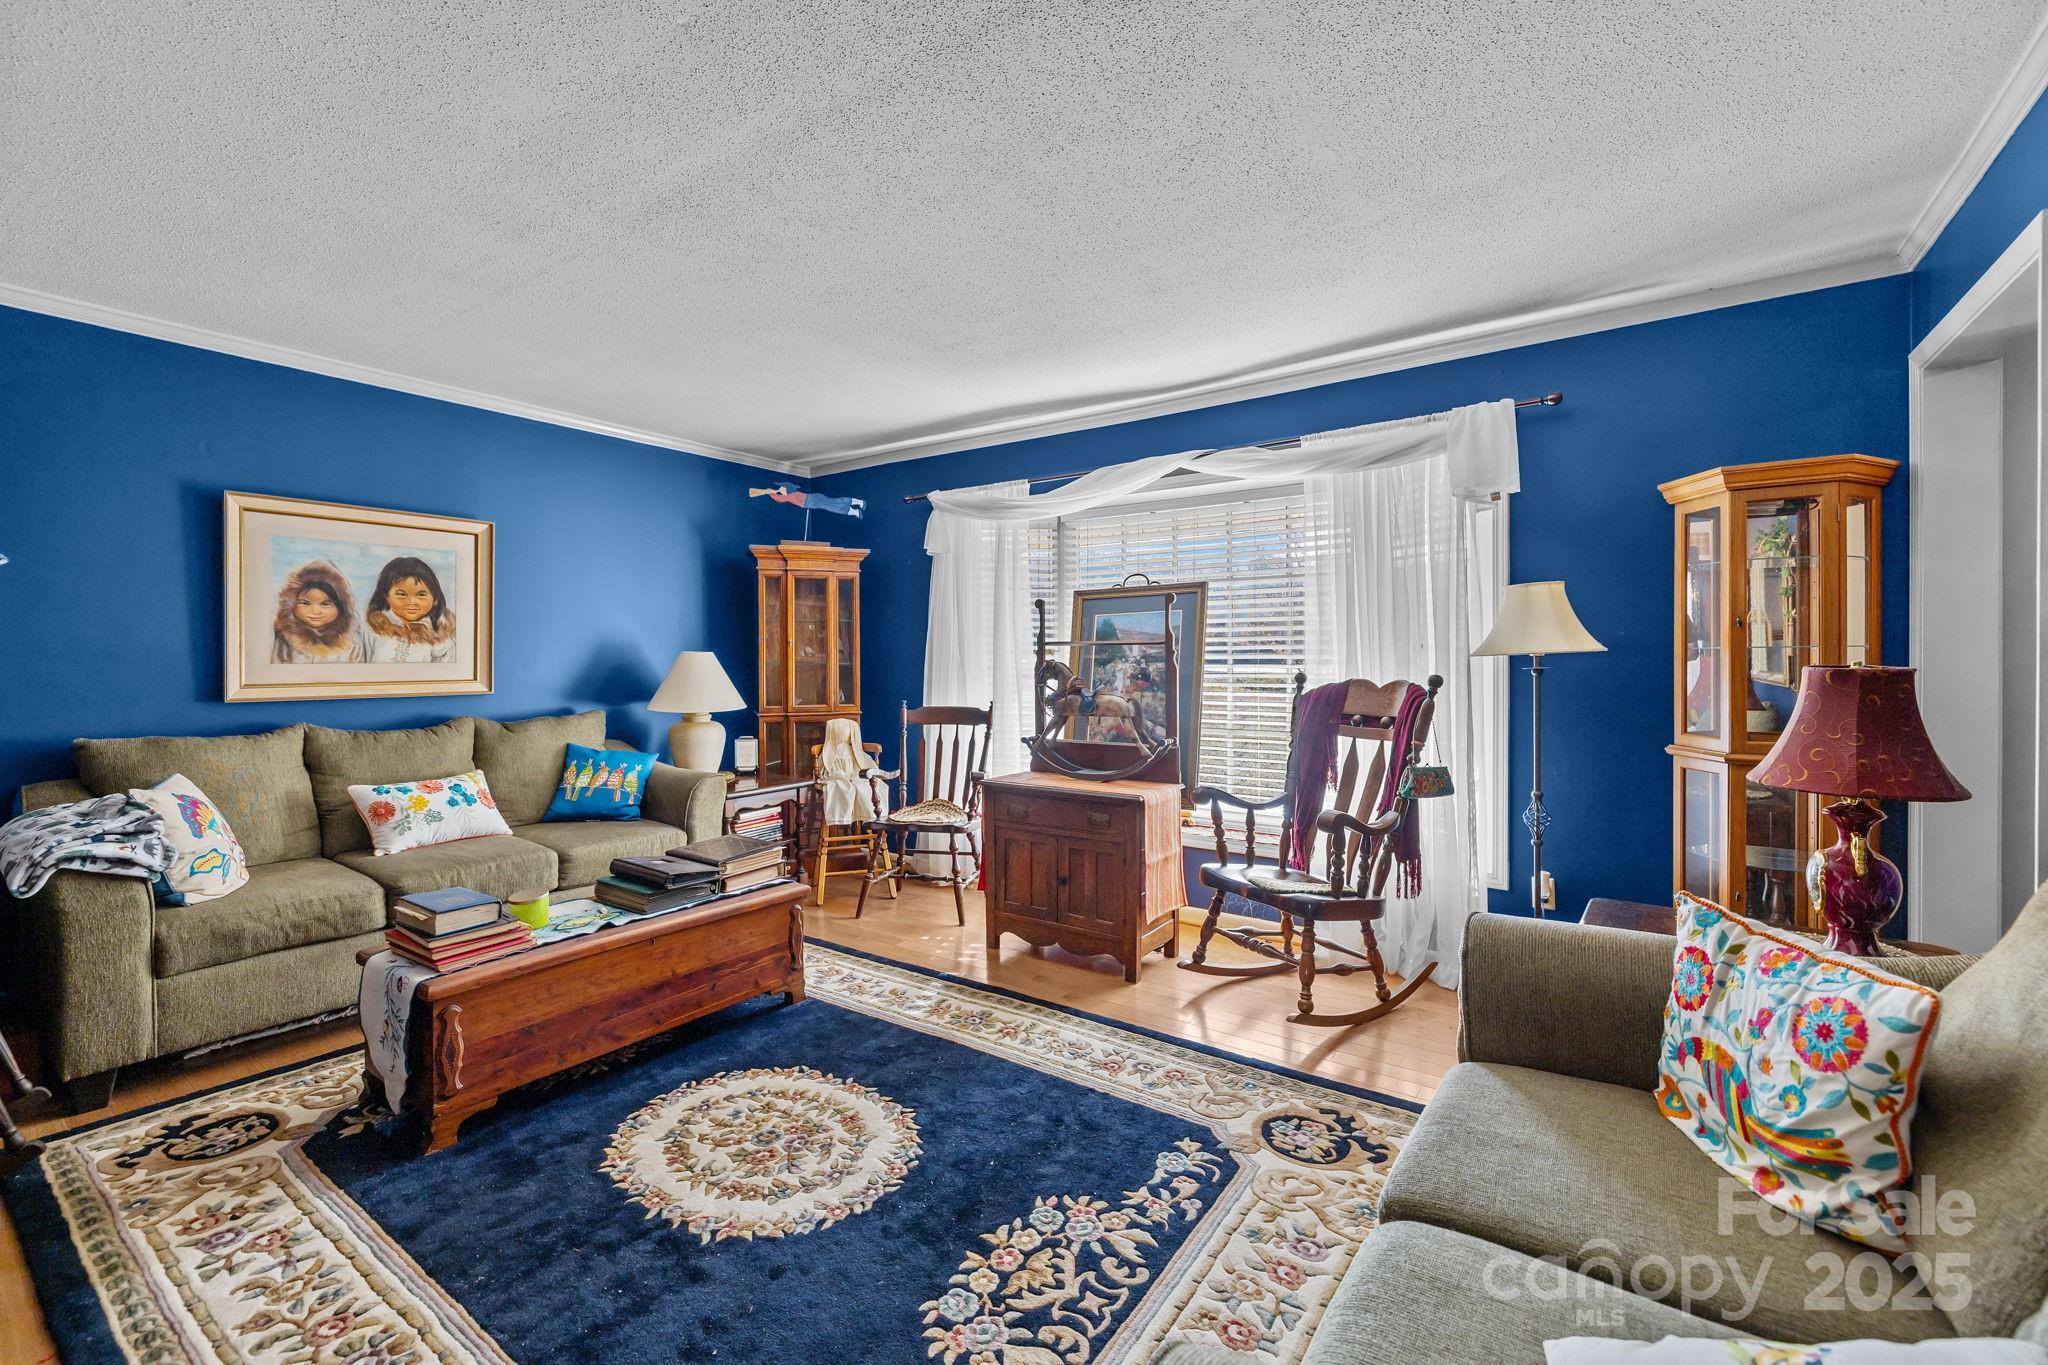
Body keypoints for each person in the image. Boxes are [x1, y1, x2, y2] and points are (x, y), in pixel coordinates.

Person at [364, 556, 456, 663]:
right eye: (401, 594)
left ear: (435, 599)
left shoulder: (441, 638)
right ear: (386, 596)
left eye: (421, 594)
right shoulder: (371, 629)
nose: (412, 602)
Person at [271, 561, 365, 662]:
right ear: (291, 604)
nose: (315, 611)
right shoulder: (283, 638)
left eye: (325, 604)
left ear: (341, 607)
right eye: (305, 603)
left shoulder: (351, 642)